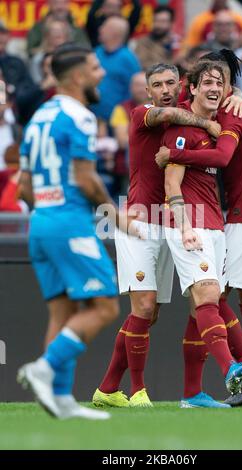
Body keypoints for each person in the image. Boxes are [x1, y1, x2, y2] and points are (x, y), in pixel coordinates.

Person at [92, 62, 242, 409]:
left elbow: (211, 89)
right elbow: (169, 115)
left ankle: (106, 389)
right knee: (144, 307)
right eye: (157, 84)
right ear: (148, 91)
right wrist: (207, 122)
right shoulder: (141, 113)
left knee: (156, 311)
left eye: (169, 83)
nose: (163, 89)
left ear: (180, 85)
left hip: (170, 221)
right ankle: (139, 391)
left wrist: (235, 94)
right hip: (138, 218)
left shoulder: (183, 114)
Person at [17, 43, 141, 420]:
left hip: (41, 224)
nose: (101, 73)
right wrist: (116, 216)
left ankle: (61, 399)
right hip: (70, 222)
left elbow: (24, 186)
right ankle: (44, 367)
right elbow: (87, 181)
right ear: (77, 76)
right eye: (94, 67)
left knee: (64, 312)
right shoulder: (81, 116)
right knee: (104, 306)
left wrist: (50, 215)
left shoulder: (40, 116)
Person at [156, 50, 242, 407]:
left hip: (238, 217)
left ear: (229, 88)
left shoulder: (228, 115)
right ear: (191, 87)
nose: (214, 88)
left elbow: (222, 158)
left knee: (214, 301)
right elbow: (172, 184)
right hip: (220, 218)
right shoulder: (188, 123)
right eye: (206, 81)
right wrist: (182, 224)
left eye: (221, 82)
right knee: (222, 299)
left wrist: (179, 154)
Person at [133, 6, 180, 70]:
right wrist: (173, 63)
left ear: (171, 23)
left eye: (163, 21)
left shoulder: (179, 42)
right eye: (156, 21)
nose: (158, 25)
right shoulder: (144, 43)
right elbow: (142, 65)